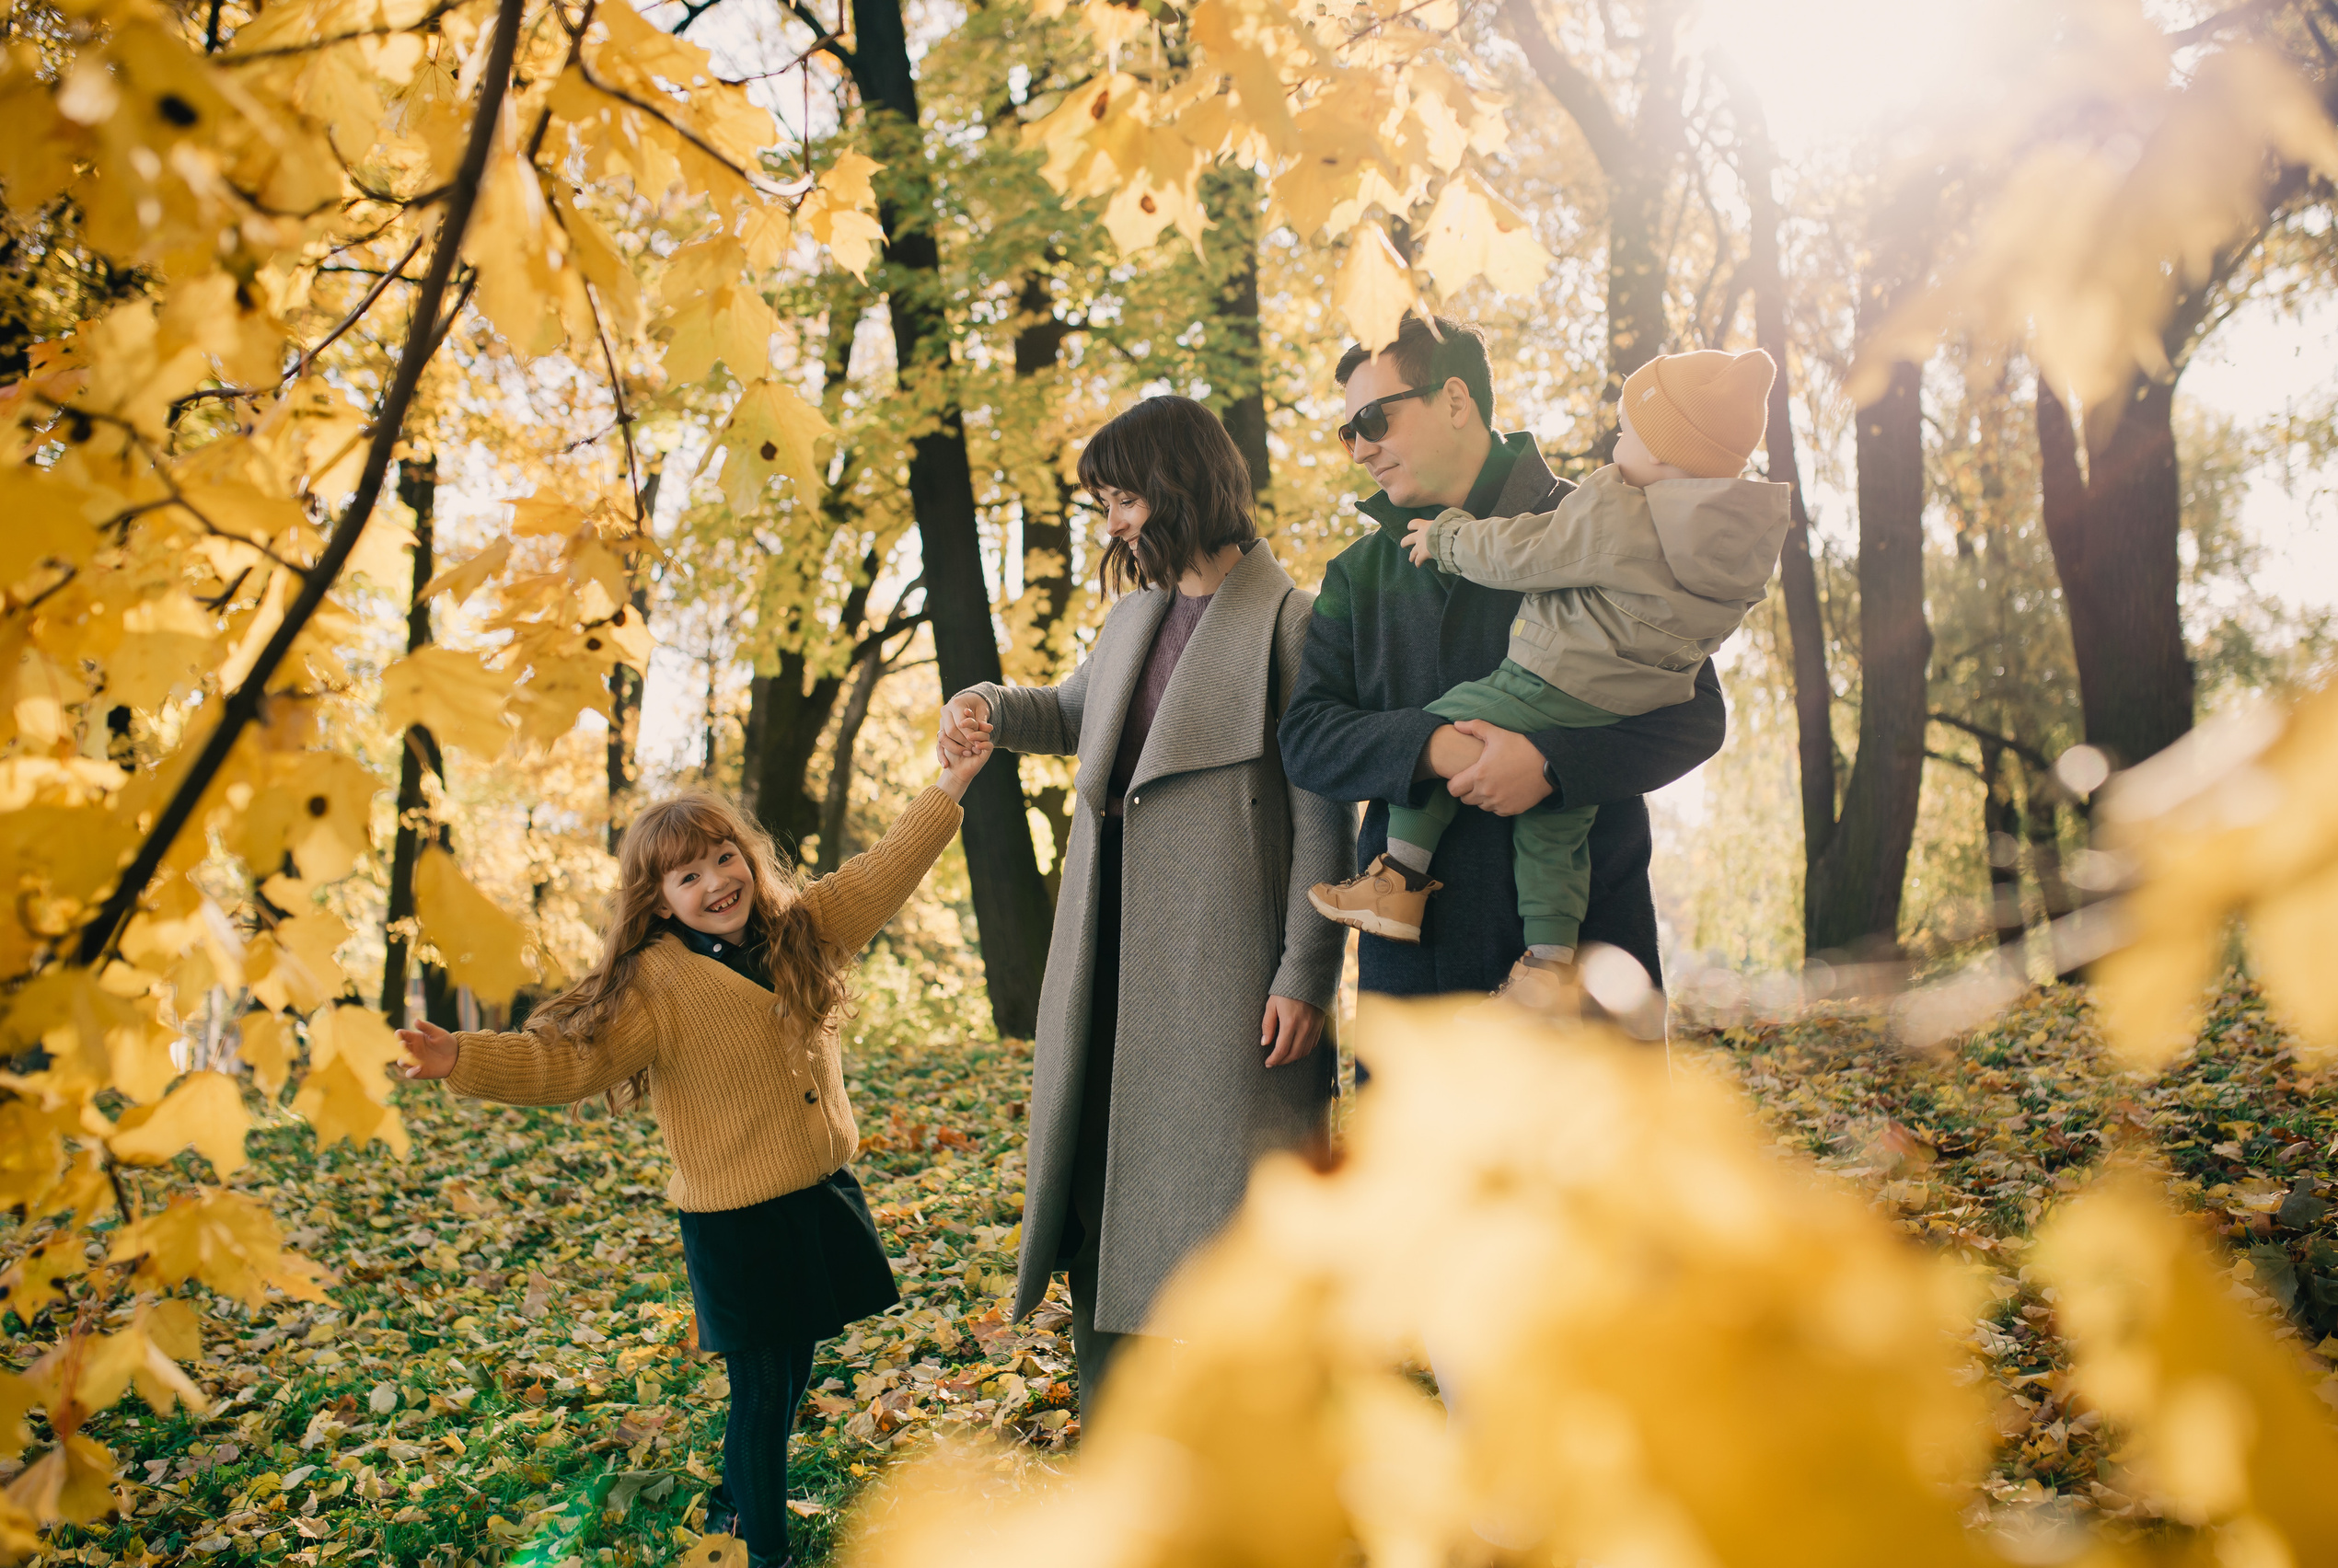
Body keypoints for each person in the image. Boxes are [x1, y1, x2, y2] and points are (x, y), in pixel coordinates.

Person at [396, 757, 990, 1568]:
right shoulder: (655, 986)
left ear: (747, 858)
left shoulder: (798, 933)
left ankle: (733, 1506)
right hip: (737, 1222)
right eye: (687, 874)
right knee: (759, 1391)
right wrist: (460, 1056)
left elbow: (882, 873)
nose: (715, 881)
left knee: (792, 1374)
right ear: (658, 899)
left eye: (724, 857)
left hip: (814, 1197)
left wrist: (951, 782)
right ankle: (766, 1551)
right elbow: (565, 1060)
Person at [937, 395, 1354, 1417]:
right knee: (1103, 1191)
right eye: (1108, 504)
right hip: (1110, 957)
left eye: (1124, 499)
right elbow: (1072, 714)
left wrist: (1306, 972)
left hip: (1223, 968)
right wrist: (987, 705)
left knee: (1221, 1211)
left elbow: (1324, 815)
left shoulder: (1290, 623)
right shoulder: (1136, 617)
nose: (1117, 524)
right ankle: (1111, 1436)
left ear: (1178, 487)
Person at [1278, 314, 1729, 1010]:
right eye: (1349, 433)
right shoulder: (1354, 577)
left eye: (1374, 420)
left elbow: (1696, 716)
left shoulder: (1611, 528)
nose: (1361, 450)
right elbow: (1307, 739)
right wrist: (1437, 748)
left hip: (1587, 961)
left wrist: (1549, 765)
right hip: (1417, 982)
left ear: (1455, 400)